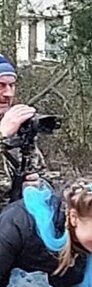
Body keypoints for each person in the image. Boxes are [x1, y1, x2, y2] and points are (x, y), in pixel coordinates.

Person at [0, 55, 46, 205]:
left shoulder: (17, 128)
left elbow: (42, 172)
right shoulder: (7, 128)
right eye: (1, 85)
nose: (8, 94)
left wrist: (39, 184)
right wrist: (2, 136)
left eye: (11, 85)